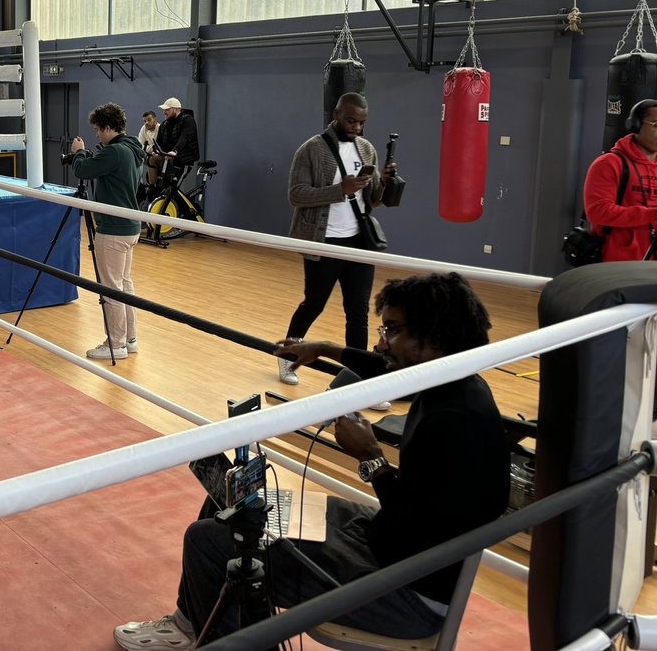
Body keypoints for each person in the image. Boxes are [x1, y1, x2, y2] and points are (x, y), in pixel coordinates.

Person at [112, 272, 510, 650]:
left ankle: (203, 635)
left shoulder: (455, 423)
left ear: (434, 338)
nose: (382, 343)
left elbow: (420, 533)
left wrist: (372, 459)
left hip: (404, 593)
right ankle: (191, 623)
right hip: (393, 548)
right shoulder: (455, 381)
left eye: (392, 330)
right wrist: (326, 349)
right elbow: (385, 367)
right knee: (235, 504)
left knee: (208, 540)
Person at [280, 92, 395, 386]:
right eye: (351, 120)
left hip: (359, 241)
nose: (356, 127)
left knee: (358, 311)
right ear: (336, 114)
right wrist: (339, 190)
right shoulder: (311, 149)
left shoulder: (367, 149)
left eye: (362, 122)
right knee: (314, 303)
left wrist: (385, 183)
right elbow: (296, 194)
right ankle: (287, 355)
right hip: (323, 241)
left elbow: (374, 200)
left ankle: (358, 376)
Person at [70, 102, 145, 360]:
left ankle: (116, 344)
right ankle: (130, 339)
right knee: (124, 285)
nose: (97, 135)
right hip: (129, 226)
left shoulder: (114, 153)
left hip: (112, 228)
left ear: (109, 127)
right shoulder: (132, 149)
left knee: (111, 288)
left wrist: (79, 152)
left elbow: (82, 170)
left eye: (99, 130)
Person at [583, 98, 657, 261]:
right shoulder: (608, 164)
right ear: (635, 125)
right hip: (616, 263)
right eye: (656, 125)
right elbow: (598, 212)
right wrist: (652, 214)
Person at [150, 97, 200, 185]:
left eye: (167, 109)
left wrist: (175, 151)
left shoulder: (188, 120)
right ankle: (152, 187)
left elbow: (185, 137)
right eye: (164, 109)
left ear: (177, 109)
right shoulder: (164, 125)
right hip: (168, 161)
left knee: (172, 188)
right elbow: (158, 142)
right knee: (160, 186)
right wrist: (156, 151)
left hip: (183, 161)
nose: (164, 112)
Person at [138, 110, 161, 193]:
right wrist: (151, 148)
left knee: (152, 159)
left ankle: (152, 187)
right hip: (147, 154)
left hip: (158, 156)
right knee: (133, 157)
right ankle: (138, 185)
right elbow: (140, 145)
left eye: (149, 120)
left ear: (155, 119)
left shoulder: (160, 128)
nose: (146, 123)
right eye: (144, 121)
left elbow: (159, 147)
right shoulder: (143, 128)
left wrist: (148, 148)